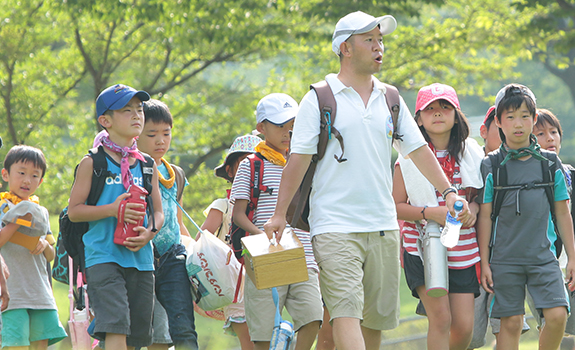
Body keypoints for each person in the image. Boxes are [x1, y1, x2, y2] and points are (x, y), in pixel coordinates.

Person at [263, 11, 469, 350]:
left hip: (384, 226)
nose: (379, 47)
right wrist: (279, 214)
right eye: (369, 39)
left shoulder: (390, 98)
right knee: (346, 314)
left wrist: (447, 190)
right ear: (344, 47)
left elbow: (417, 150)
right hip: (334, 226)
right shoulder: (318, 99)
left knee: (375, 322)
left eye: (381, 39)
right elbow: (297, 161)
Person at [477, 83, 575, 350]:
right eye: (510, 117)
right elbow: (485, 217)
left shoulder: (549, 163)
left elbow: (562, 211)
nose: (518, 124)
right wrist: (485, 262)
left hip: (543, 257)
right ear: (498, 122)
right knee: (510, 324)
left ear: (533, 119)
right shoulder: (491, 165)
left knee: (557, 316)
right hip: (504, 259)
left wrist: (572, 257)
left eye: (524, 116)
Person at [68, 84, 164, 350]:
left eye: (139, 109)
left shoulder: (147, 164)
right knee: (115, 327)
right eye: (126, 110)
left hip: (142, 261)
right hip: (103, 256)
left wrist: (150, 233)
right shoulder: (93, 163)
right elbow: (74, 211)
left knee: (135, 337)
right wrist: (112, 209)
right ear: (105, 120)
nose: (137, 115)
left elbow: (158, 211)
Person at [393, 83, 482, 350]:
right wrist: (430, 213)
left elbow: (479, 197)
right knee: (441, 319)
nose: (438, 113)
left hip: (463, 246)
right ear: (417, 118)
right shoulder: (407, 158)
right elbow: (395, 206)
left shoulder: (472, 152)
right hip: (420, 243)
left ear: (456, 114)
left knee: (465, 326)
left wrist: (473, 211)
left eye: (445, 107)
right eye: (429, 109)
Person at [230, 93, 323, 350]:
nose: (288, 132)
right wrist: (263, 236)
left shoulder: (306, 164)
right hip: (265, 254)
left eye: (293, 125)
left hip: (304, 253)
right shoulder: (251, 164)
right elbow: (238, 214)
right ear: (262, 128)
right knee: (262, 334)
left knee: (313, 316)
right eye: (280, 126)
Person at [137, 99, 198, 350]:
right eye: (151, 134)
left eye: (166, 133)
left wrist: (197, 251)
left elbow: (178, 222)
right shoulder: (130, 169)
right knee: (143, 330)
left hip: (173, 257)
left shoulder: (176, 174)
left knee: (182, 327)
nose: (160, 140)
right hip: (140, 255)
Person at [468, 106, 530, 350]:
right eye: (500, 126)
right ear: (484, 131)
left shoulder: (526, 164)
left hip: (508, 258)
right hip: (469, 260)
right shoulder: (469, 163)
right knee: (468, 334)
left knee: (509, 325)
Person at [0, 145, 67, 349]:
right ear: (5, 174)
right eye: (21, 173)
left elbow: (50, 255)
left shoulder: (41, 212)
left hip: (40, 292)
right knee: (15, 343)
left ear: (41, 180)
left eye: (34, 175)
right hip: (13, 293)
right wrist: (16, 221)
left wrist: (44, 243)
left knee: (40, 344)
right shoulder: (2, 207)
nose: (27, 180)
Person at [201, 133, 262, 350]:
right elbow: (203, 241)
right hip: (234, 283)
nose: (249, 171)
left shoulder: (265, 207)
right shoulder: (222, 205)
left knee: (266, 335)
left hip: (262, 279)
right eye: (243, 164)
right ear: (230, 171)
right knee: (249, 341)